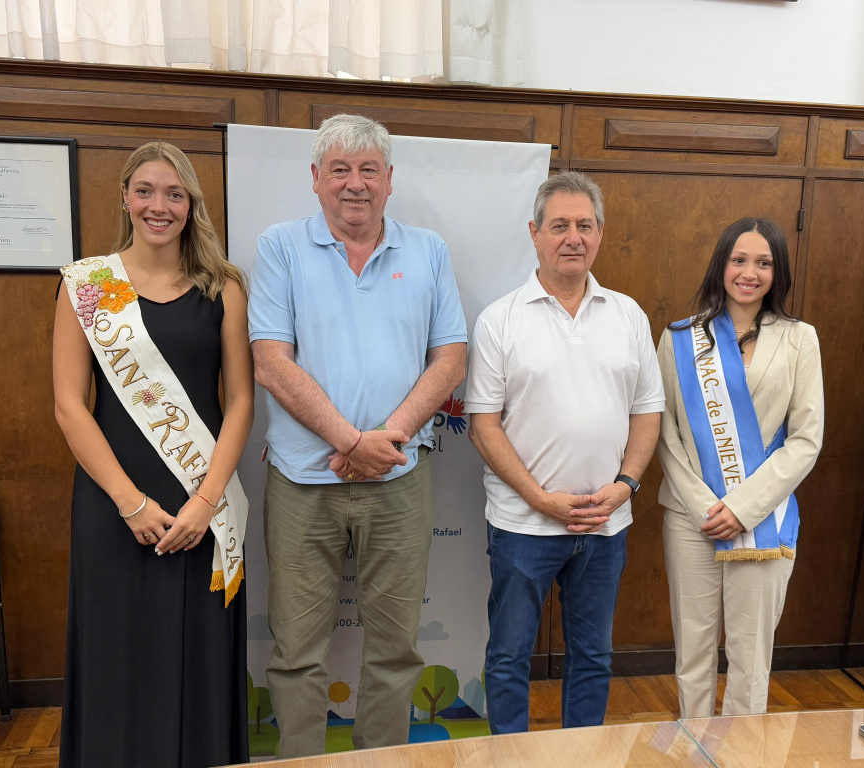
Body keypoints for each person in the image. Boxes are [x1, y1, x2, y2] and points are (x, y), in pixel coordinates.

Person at [248, 114, 467, 758]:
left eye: (369, 169)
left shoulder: (428, 250)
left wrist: (385, 442)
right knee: (296, 652)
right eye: (340, 169)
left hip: (398, 478)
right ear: (316, 178)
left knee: (396, 650)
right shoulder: (280, 247)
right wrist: (351, 441)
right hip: (302, 481)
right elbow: (271, 363)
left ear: (389, 180)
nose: (355, 183)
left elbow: (450, 359)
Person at [53, 142, 253, 768]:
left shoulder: (223, 287)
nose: (158, 206)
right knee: (117, 648)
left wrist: (206, 501)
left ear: (191, 204)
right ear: (124, 198)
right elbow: (69, 405)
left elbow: (241, 401)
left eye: (173, 194)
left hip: (202, 500)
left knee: (199, 650)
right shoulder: (89, 285)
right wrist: (130, 502)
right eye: (144, 191)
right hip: (114, 502)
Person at [465, 171, 665, 734]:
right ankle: (511, 760)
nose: (572, 237)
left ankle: (582, 756)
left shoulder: (628, 315)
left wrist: (625, 485)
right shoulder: (500, 319)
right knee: (509, 657)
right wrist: (539, 498)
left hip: (606, 523)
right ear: (535, 234)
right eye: (559, 226)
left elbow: (647, 411)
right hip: (522, 524)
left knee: (593, 656)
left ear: (600, 233)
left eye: (584, 225)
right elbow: (482, 426)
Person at [656, 217, 823, 719]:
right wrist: (707, 507)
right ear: (721, 264)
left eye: (764, 263)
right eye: (739, 260)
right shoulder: (679, 338)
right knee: (693, 652)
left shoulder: (799, 339)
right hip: (691, 518)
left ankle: (741, 753)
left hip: (762, 520)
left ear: (778, 272)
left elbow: (806, 439)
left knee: (751, 661)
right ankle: (695, 743)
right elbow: (664, 432)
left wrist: (742, 508)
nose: (750, 273)